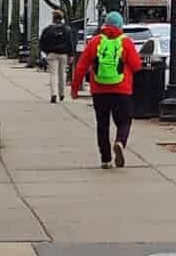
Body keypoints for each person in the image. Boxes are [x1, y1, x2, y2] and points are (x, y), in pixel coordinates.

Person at [70, 13, 142, 167]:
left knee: (102, 124)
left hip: (99, 90)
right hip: (122, 89)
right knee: (124, 121)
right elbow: (136, 66)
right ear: (120, 26)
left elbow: (81, 66)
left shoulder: (95, 42)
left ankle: (106, 159)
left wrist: (75, 88)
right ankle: (120, 142)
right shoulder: (126, 43)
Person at [39, 12, 74, 103]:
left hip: (52, 54)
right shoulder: (67, 29)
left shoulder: (47, 30)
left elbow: (42, 42)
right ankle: (62, 94)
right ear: (62, 18)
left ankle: (53, 94)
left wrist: (46, 52)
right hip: (63, 54)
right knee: (62, 74)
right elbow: (70, 43)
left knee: (53, 74)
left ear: (53, 18)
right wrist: (71, 55)